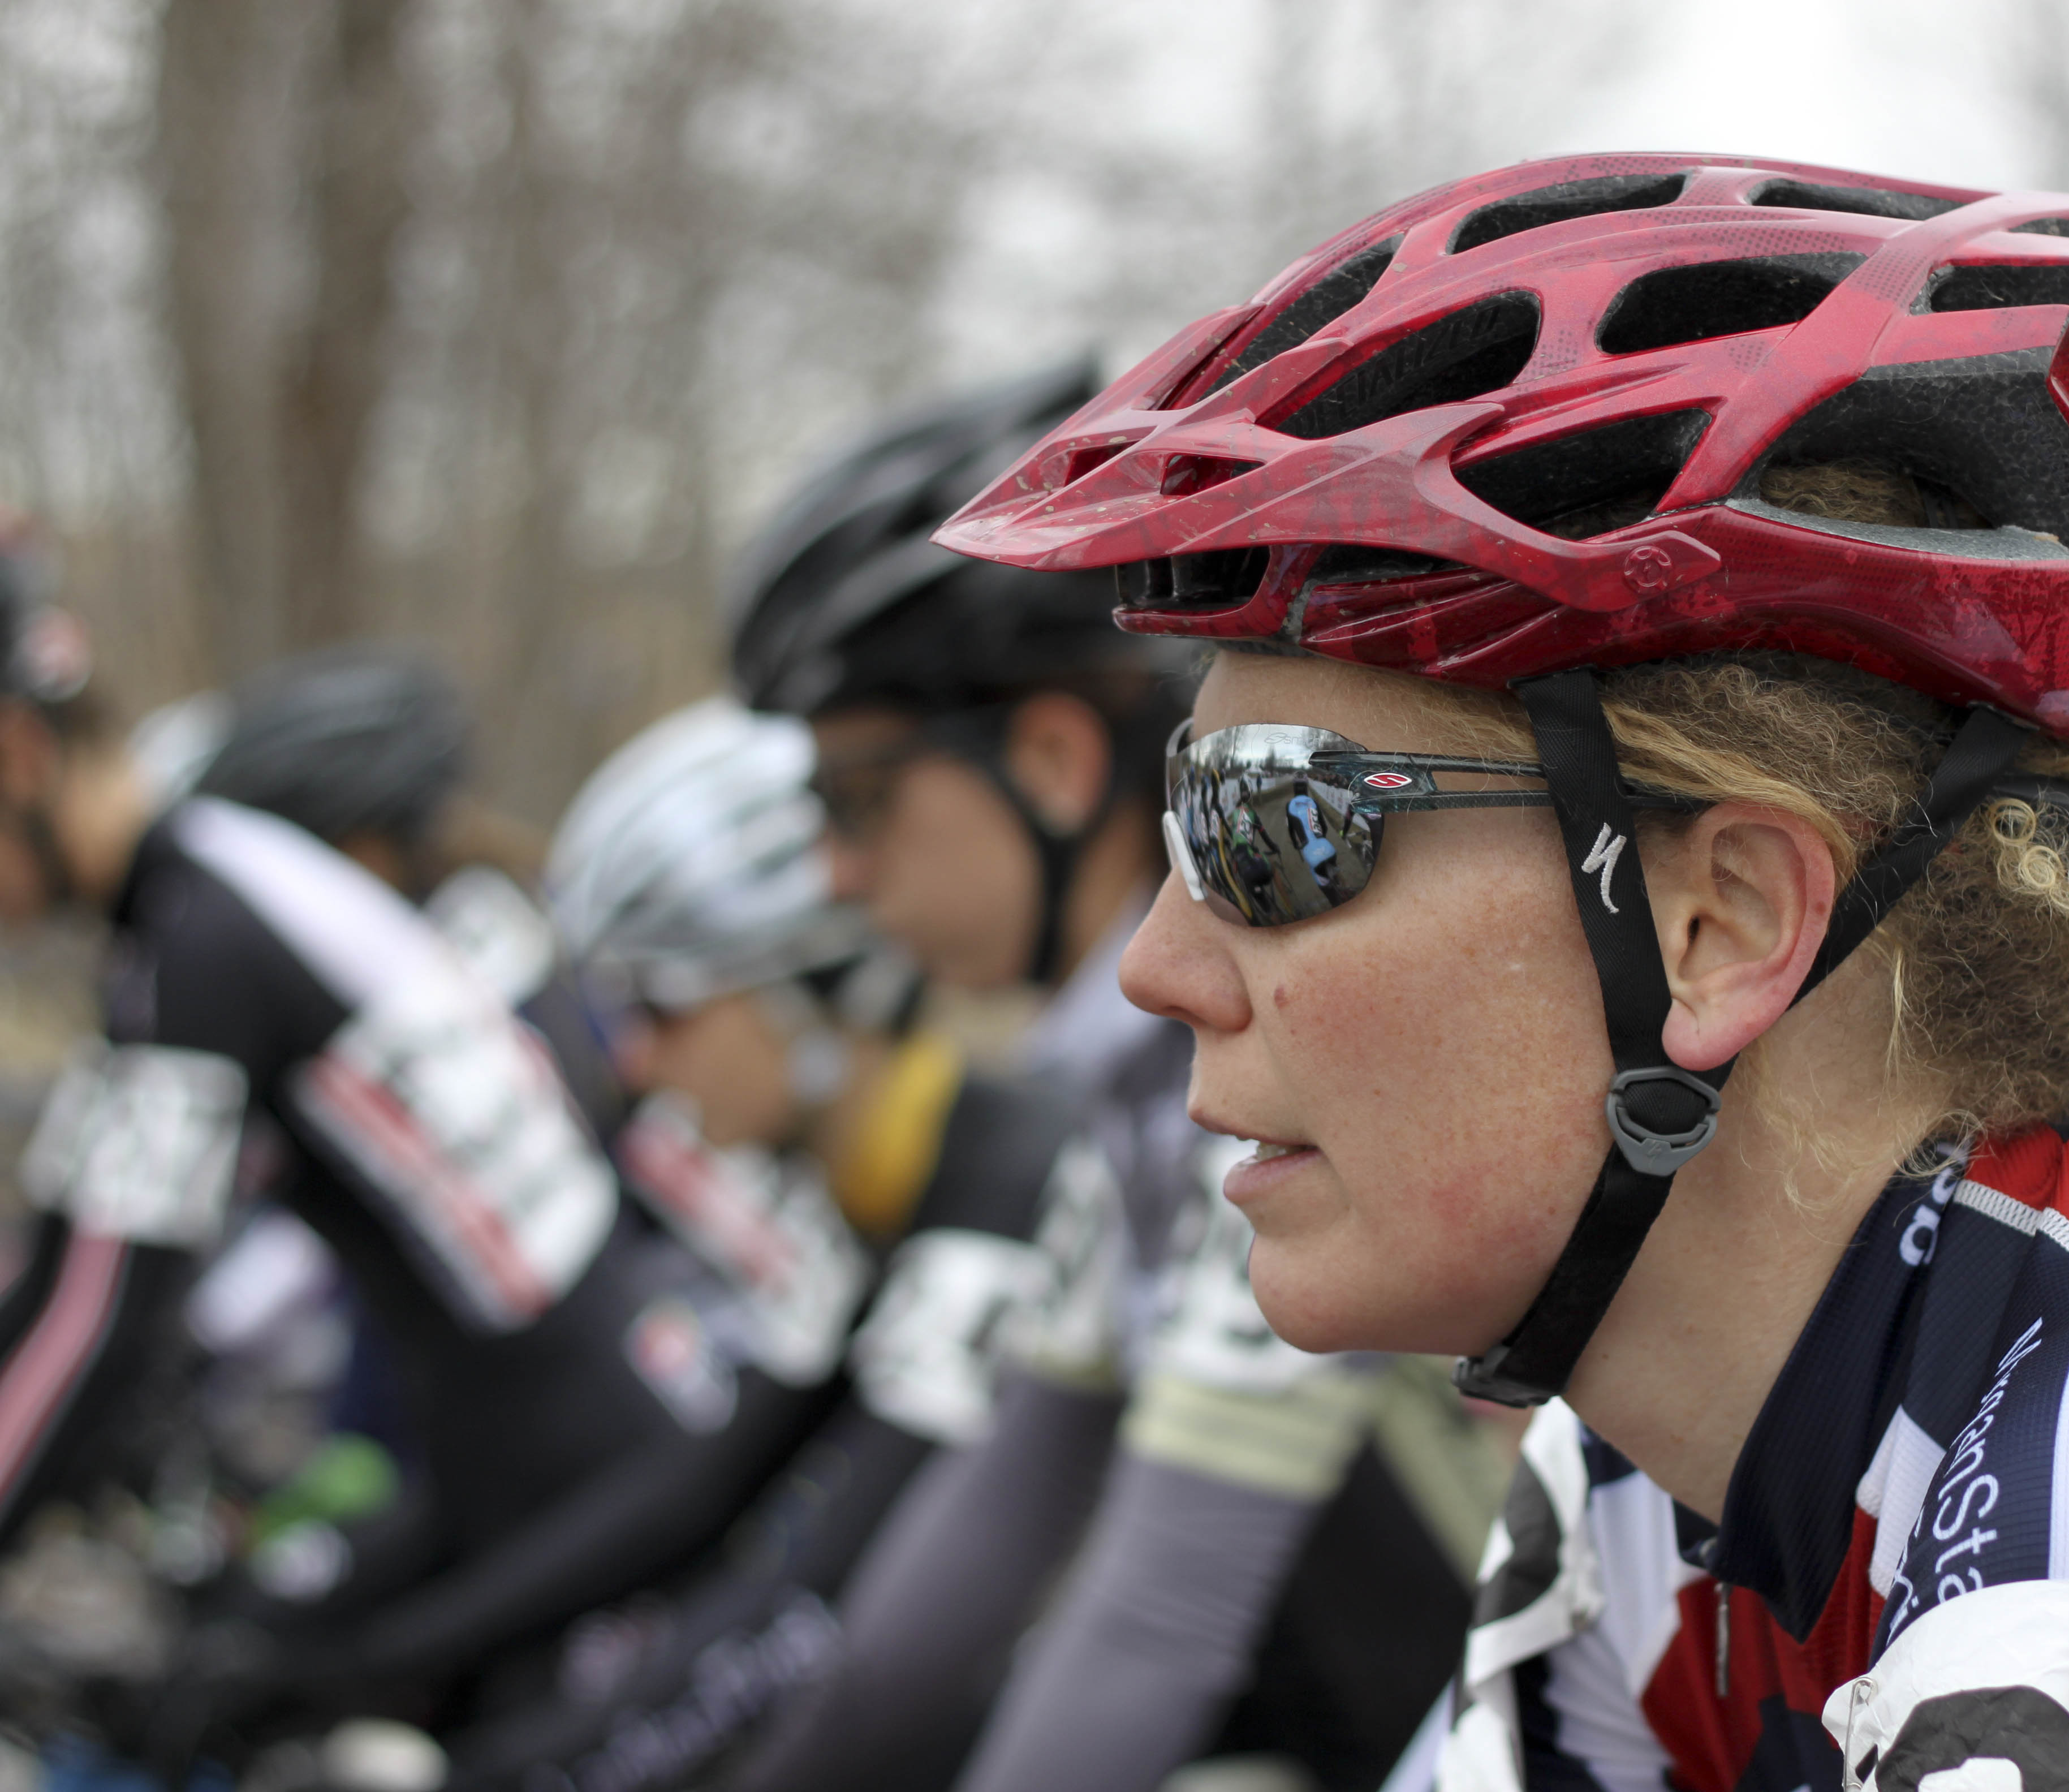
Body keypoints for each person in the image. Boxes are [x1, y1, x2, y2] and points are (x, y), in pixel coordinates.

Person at [933, 153, 2069, 1789]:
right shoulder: (1652, 1473)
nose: (1160, 966)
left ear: (1723, 925)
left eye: (1272, 830)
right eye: (1183, 822)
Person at [724, 363, 1505, 1792]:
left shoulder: (1259, 1088)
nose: (834, 876)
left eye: (858, 802)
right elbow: (992, 1524)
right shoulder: (1136, 1101)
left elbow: (1157, 1615)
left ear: (1051, 757)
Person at [0, 632, 825, 1772]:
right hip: (523, 1448)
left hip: (579, 1478)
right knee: (242, 1675)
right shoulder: (201, 899)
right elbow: (64, 1263)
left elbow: (100, 1311)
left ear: (17, 757)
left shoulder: (205, 934)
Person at [436, 695, 1086, 1791]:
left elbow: (819, 1617)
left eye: (662, 1006)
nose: (633, 1065)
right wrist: (378, 1663)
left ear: (810, 987)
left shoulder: (1007, 1193)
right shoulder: (877, 1187)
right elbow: (695, 1495)